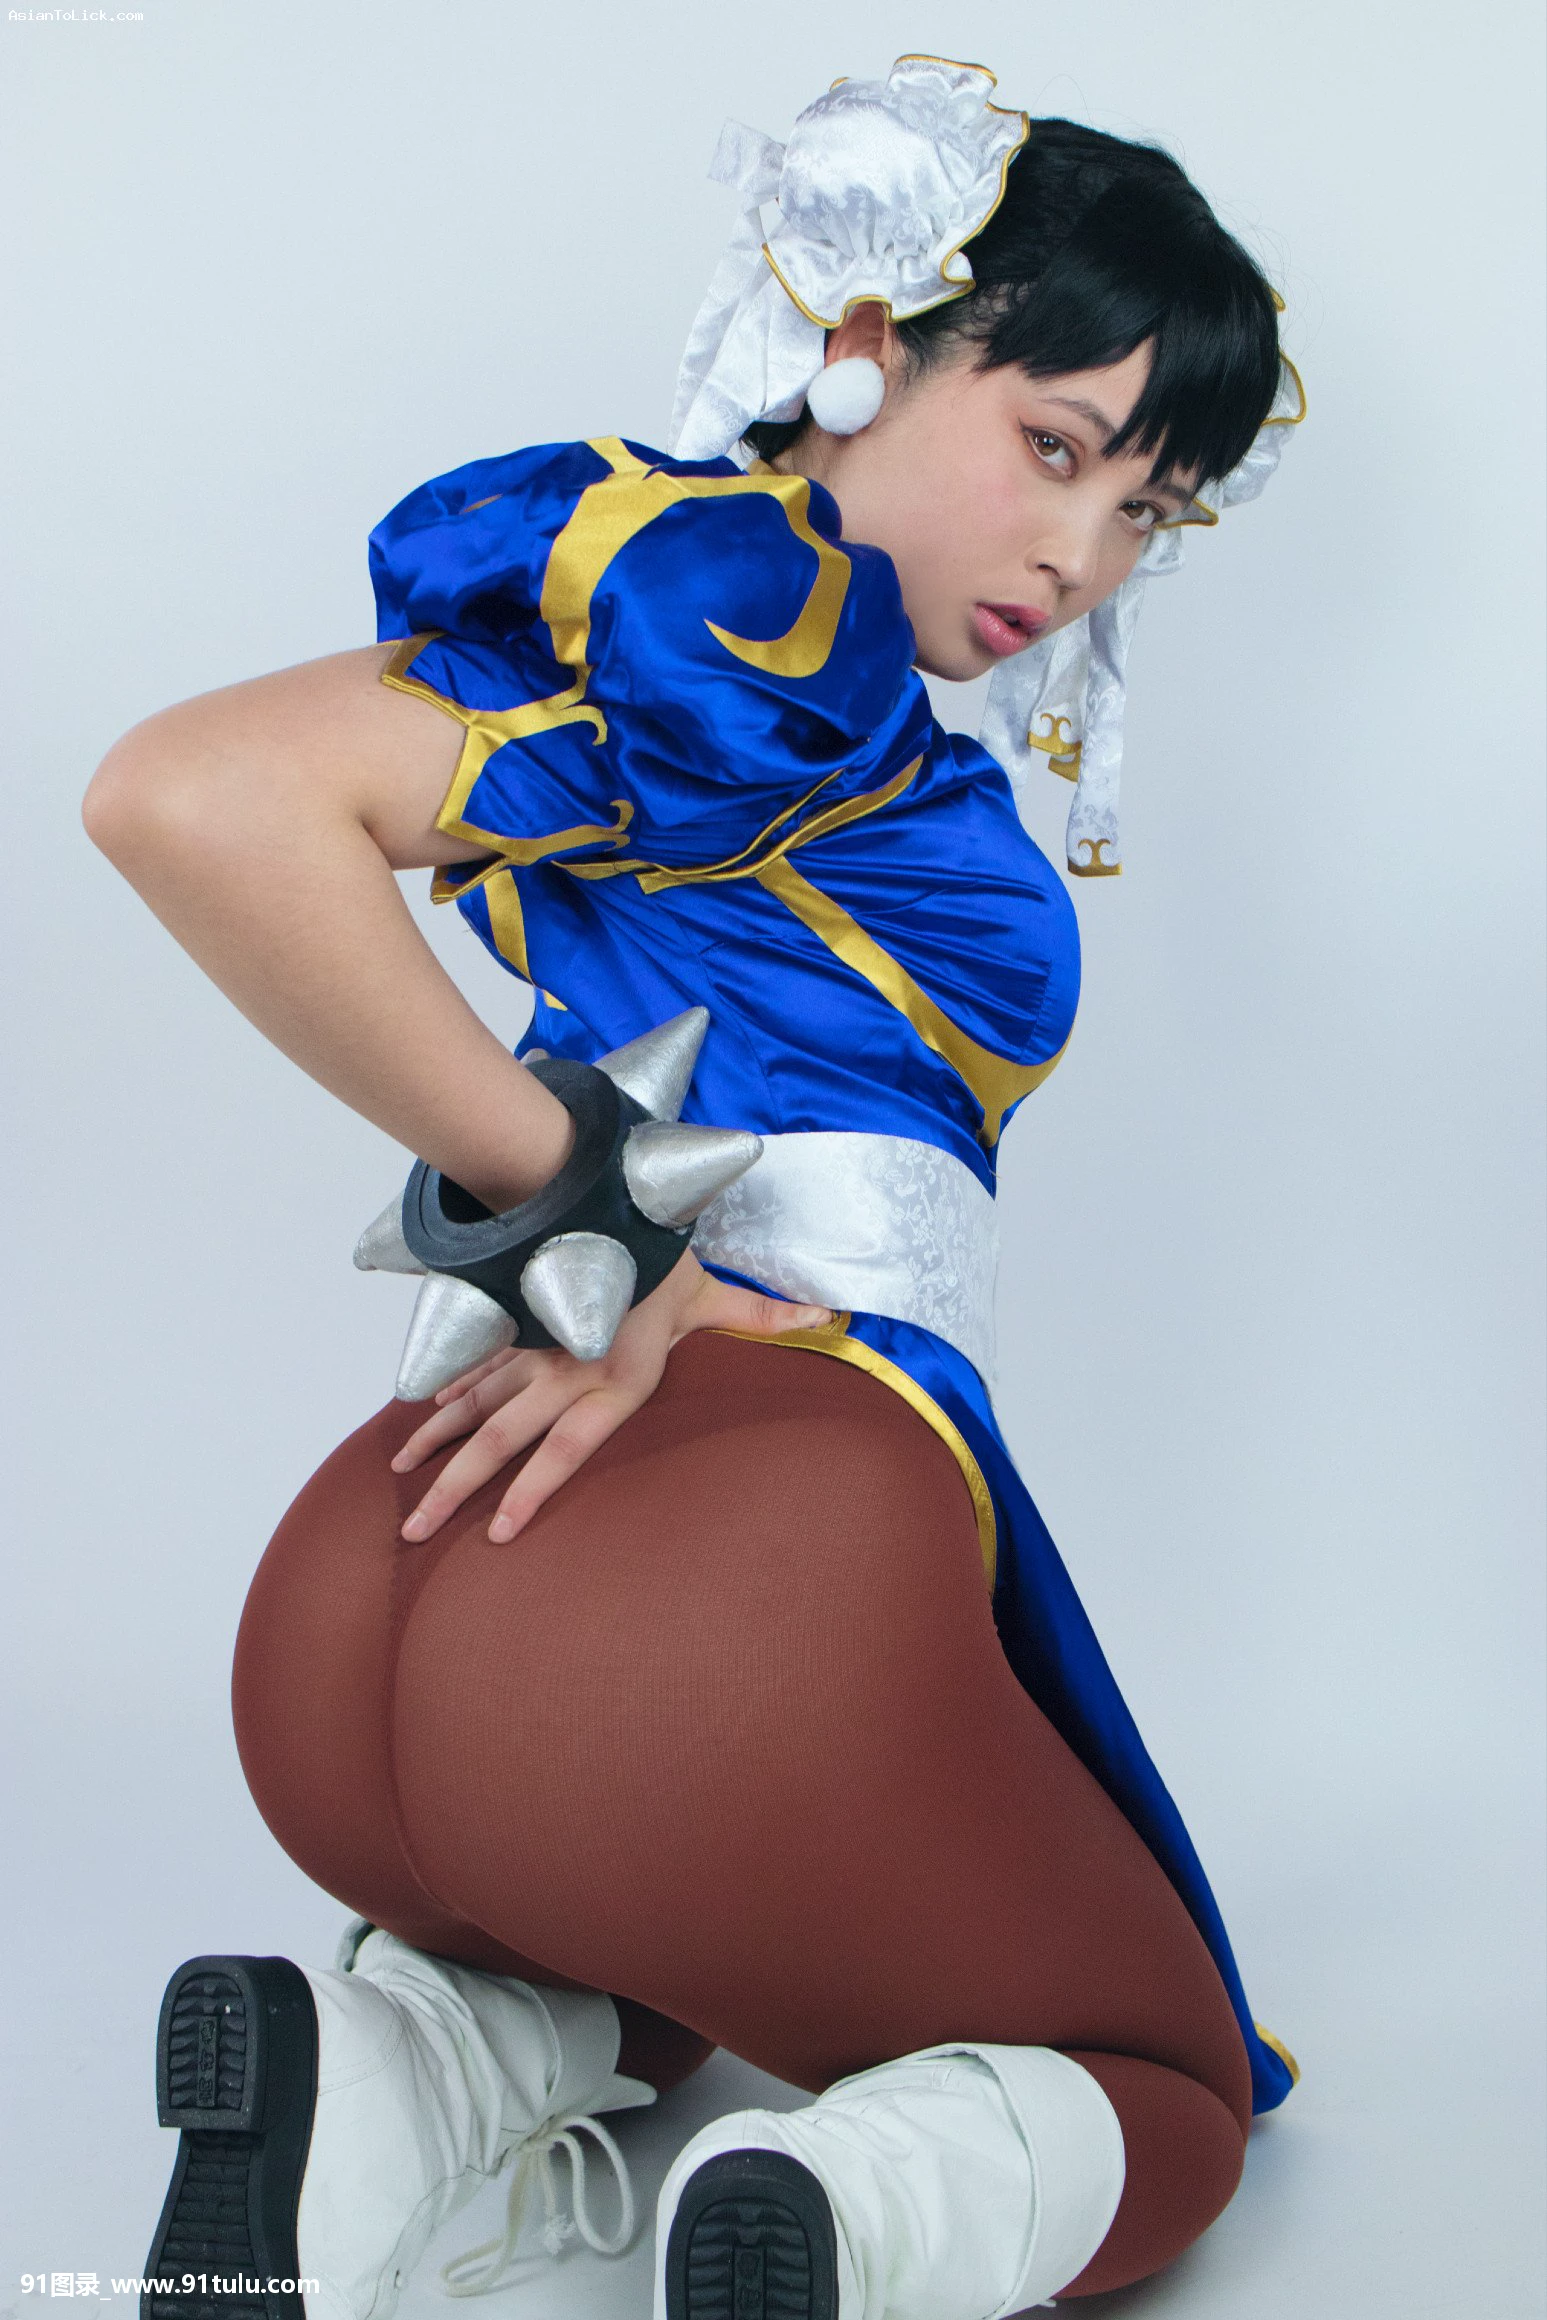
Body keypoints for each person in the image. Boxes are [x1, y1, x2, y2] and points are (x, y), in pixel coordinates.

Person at [83, 54, 1305, 2320]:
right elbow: (191, 793)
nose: (1083, 555)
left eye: (1150, 509)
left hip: (380, 1600)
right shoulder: (758, 639)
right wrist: (591, 1211)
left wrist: (579, 1215)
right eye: (1054, 446)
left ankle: (386, 2066)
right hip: (714, 1621)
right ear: (864, 346)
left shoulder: (761, 702)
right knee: (1164, 2083)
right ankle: (845, 2215)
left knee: (624, 1958)